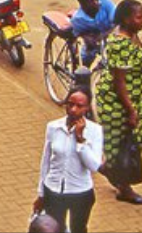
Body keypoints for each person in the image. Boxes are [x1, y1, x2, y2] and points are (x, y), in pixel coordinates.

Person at [96, 0, 142, 205]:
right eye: (139, 17)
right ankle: (123, 187)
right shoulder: (119, 44)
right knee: (118, 143)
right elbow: (119, 81)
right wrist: (130, 110)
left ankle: (111, 167)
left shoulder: (133, 36)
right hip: (117, 101)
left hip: (135, 98)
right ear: (126, 19)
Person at [34, 87, 103, 233]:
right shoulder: (53, 127)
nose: (73, 109)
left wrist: (80, 140)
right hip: (53, 190)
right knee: (55, 228)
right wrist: (41, 193)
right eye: (70, 104)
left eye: (79, 106)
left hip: (80, 192)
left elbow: (94, 166)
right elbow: (46, 161)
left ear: (87, 107)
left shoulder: (95, 131)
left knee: (78, 228)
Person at [70, 0, 115, 66]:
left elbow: (117, 22)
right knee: (84, 63)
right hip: (95, 41)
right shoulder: (78, 19)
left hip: (109, 36)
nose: (96, 3)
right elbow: (78, 34)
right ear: (82, 4)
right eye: (91, 1)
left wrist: (104, 35)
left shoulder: (105, 2)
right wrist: (87, 38)